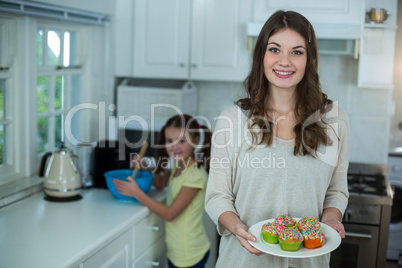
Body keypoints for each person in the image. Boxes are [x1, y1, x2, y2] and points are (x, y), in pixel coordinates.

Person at [204, 10, 349, 268]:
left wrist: (330, 220)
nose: (285, 61)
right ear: (261, 55)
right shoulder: (233, 120)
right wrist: (236, 227)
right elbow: (217, 197)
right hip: (243, 262)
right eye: (274, 49)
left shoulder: (333, 120)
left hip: (310, 263)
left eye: (297, 52)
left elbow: (336, 191)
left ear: (310, 59)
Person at [113, 114, 212, 268]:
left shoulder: (196, 176)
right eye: (169, 141)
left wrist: (136, 192)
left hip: (189, 254)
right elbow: (160, 183)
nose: (174, 147)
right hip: (177, 252)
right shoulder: (179, 166)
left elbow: (170, 214)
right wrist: (146, 166)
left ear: (196, 141)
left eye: (181, 141)